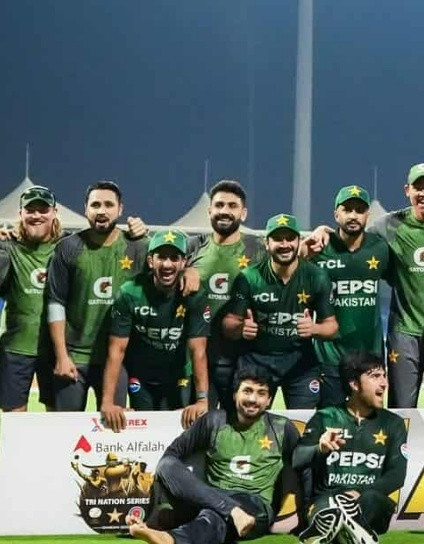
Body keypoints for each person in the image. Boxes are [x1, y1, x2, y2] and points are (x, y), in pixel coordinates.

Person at [306, 163, 424, 408]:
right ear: (407, 190)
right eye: (417, 188)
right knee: (400, 411)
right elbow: (352, 234)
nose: (423, 193)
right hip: (403, 333)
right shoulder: (388, 225)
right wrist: (322, 230)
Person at [127, 368, 300, 544]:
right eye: (247, 391)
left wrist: (305, 516)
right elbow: (170, 456)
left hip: (254, 506)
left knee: (214, 516)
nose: (253, 399)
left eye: (261, 393)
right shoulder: (214, 421)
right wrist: (229, 508)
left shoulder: (282, 428)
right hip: (211, 498)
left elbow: (304, 467)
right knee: (167, 466)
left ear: (269, 400)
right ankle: (230, 511)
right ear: (235, 395)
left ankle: (172, 541)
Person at [46, 181, 148, 411]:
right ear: (86, 209)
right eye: (95, 205)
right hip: (74, 358)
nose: (102, 210)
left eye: (108, 205)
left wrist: (189, 271)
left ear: (120, 209)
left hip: (116, 360)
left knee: (113, 426)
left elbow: (170, 267)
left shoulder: (138, 248)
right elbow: (56, 302)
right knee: (67, 428)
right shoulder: (67, 248)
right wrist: (61, 356)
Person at [293, 352, 409, 544]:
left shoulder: (393, 423)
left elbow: (397, 475)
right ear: (354, 384)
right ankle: (349, 535)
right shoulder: (325, 417)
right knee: (328, 509)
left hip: (368, 500)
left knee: (375, 501)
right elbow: (297, 459)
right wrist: (319, 448)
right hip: (328, 498)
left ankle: (336, 534)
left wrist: (358, 493)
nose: (384, 383)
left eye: (384, 376)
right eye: (375, 376)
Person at [222, 214, 338, 409]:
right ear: (267, 244)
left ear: (299, 241)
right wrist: (240, 328)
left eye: (290, 238)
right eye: (277, 239)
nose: (285, 244)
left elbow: (332, 327)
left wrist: (314, 329)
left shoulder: (317, 276)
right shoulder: (249, 277)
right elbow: (228, 323)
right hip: (257, 360)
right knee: (249, 421)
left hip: (300, 362)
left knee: (303, 421)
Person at [100, 229, 210, 429]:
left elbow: (198, 350)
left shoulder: (196, 295)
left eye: (174, 258)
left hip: (179, 376)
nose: (167, 264)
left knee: (178, 430)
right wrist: (108, 402)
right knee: (145, 430)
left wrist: (202, 399)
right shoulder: (130, 293)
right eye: (162, 257)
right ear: (151, 261)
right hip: (141, 376)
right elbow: (117, 349)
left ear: (184, 262)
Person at [185, 180, 264, 412]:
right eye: (219, 205)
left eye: (232, 206)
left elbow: (290, 259)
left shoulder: (259, 250)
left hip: (242, 359)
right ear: (209, 210)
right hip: (198, 358)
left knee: (238, 425)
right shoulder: (192, 247)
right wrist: (183, 270)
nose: (225, 211)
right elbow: (160, 266)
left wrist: (321, 232)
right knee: (199, 424)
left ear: (243, 213)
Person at [310, 186, 392, 408]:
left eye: (359, 210)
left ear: (367, 215)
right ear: (336, 214)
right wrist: (319, 231)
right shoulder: (319, 248)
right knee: (332, 421)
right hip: (329, 358)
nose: (353, 215)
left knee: (370, 422)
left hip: (370, 358)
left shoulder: (380, 248)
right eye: (347, 210)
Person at [0, 185, 61, 411]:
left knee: (58, 417)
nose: (36, 215)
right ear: (21, 214)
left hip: (57, 350)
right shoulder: (8, 248)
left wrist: (136, 232)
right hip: (15, 349)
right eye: (30, 210)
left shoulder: (68, 247)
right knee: (15, 419)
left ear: (54, 213)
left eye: (43, 209)